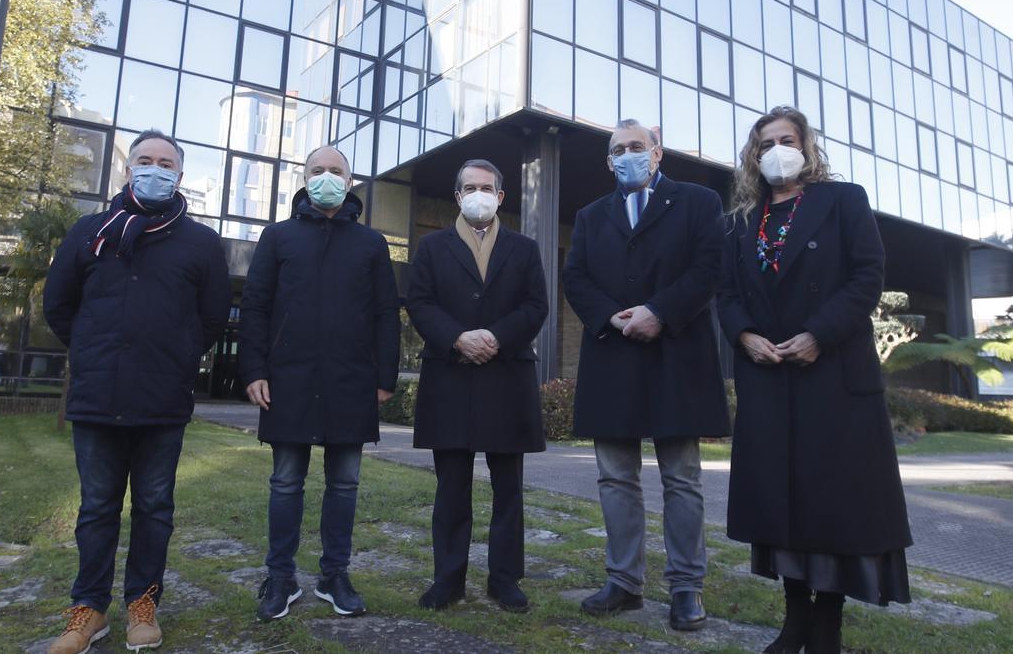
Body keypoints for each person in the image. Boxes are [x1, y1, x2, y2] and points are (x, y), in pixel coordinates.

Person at [717, 106, 913, 654]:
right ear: (753, 156)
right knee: (781, 505)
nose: (777, 149)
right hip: (768, 377)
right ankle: (794, 618)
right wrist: (744, 336)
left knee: (834, 505)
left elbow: (866, 276)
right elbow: (726, 294)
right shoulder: (740, 220)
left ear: (806, 146)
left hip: (832, 376)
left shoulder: (843, 200)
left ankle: (828, 622)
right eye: (765, 143)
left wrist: (818, 334)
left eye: (787, 139)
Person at [42, 129, 231, 653]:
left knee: (154, 506)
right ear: (128, 169)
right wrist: (92, 350)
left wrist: (176, 354)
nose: (154, 168)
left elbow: (213, 316)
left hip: (162, 399)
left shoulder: (200, 242)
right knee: (97, 507)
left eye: (165, 162)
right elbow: (59, 306)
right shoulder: (89, 230)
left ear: (179, 175)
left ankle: (142, 603)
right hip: (98, 396)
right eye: (144, 160)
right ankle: (89, 609)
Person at [562, 119, 731, 631]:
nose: (628, 154)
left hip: (676, 354)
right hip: (613, 355)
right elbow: (576, 276)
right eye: (618, 149)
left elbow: (708, 269)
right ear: (609, 161)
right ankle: (624, 582)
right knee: (615, 477)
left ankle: (686, 587)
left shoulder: (700, 202)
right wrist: (611, 316)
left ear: (658, 154)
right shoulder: (592, 215)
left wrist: (658, 311)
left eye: (638, 146)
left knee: (681, 479)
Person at [240, 146, 400, 621]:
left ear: (351, 182)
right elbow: (255, 307)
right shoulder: (277, 237)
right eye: (318, 170)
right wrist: (253, 370)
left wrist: (385, 378)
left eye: (336, 171)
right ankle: (281, 577)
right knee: (285, 482)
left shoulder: (371, 243)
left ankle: (335, 575)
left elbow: (386, 314)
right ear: (304, 179)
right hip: (287, 381)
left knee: (345, 483)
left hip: (352, 381)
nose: (327, 177)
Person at [406, 159, 548, 613]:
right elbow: (420, 303)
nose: (478, 194)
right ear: (458, 195)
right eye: (469, 187)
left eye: (487, 186)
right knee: (451, 488)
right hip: (450, 376)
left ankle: (505, 580)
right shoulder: (431, 247)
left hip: (507, 377)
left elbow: (536, 305)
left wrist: (496, 337)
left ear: (501, 196)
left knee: (509, 488)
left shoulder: (524, 249)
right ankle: (448, 579)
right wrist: (456, 338)